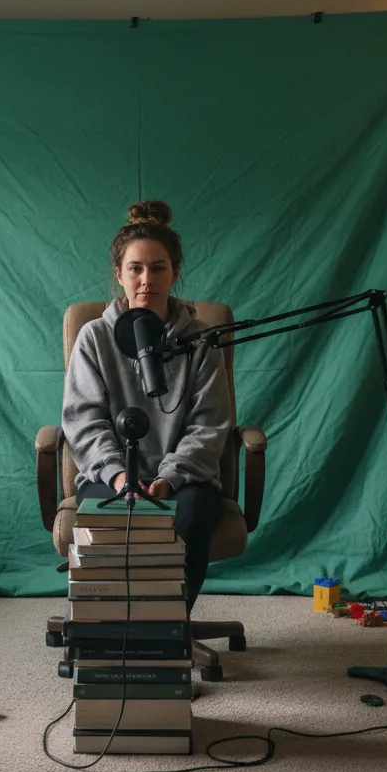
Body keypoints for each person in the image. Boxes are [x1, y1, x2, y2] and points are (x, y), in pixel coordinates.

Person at [61, 199, 232, 610]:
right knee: (110, 522)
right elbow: (84, 422)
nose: (146, 280)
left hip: (185, 480)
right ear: (119, 275)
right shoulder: (94, 338)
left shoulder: (200, 341)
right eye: (135, 268)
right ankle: (112, 626)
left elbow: (208, 426)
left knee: (188, 517)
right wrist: (121, 477)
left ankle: (168, 627)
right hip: (111, 476)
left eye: (158, 268)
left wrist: (169, 479)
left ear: (174, 272)